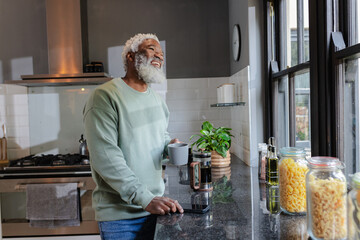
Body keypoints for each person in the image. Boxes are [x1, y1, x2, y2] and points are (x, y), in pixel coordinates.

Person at [83, 33, 183, 240]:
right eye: (152, 49)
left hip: (155, 207)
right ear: (130, 56)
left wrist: (169, 147)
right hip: (121, 217)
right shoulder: (105, 96)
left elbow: (157, 139)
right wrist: (145, 198)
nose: (159, 56)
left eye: (162, 53)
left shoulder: (157, 100)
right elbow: (106, 157)